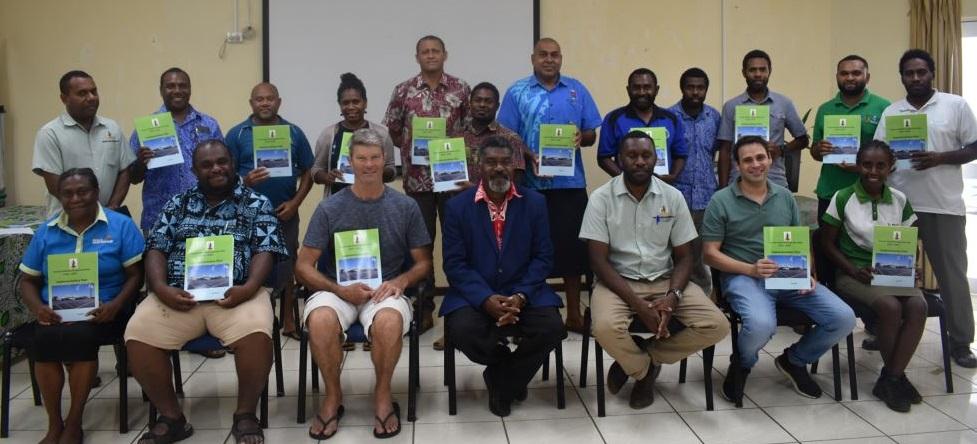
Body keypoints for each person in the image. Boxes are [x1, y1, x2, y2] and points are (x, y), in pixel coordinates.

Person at [125, 140, 286, 444]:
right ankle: (172, 418)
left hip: (237, 296)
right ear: (194, 169)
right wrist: (159, 288)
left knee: (256, 333)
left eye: (222, 161)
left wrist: (249, 288)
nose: (216, 168)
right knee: (137, 333)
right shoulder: (177, 203)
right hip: (177, 297)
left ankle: (245, 414)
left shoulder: (256, 203)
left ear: (233, 163)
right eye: (207, 164)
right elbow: (156, 247)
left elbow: (266, 249)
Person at [296, 128, 432, 440]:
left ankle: (383, 396)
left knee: (388, 322)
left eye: (374, 158)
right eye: (361, 158)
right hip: (337, 289)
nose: (368, 165)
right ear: (350, 161)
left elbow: (423, 263)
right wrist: (338, 289)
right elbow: (302, 266)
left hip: (384, 290)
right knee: (319, 321)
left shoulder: (405, 207)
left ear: (386, 161)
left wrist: (401, 280)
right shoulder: (329, 208)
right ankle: (333, 397)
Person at [580, 131, 728, 409]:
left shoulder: (673, 197)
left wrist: (672, 296)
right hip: (617, 281)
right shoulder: (601, 198)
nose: (639, 161)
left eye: (646, 155)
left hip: (664, 279)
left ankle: (644, 356)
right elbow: (598, 261)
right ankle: (644, 371)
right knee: (603, 327)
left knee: (717, 325)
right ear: (619, 160)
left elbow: (685, 258)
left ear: (656, 159)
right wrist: (639, 305)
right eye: (632, 155)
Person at [702, 136, 855, 404]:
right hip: (744, 277)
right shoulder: (721, 200)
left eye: (760, 158)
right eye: (747, 160)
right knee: (762, 325)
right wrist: (750, 269)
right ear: (737, 165)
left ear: (770, 159)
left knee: (844, 318)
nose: (756, 165)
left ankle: (794, 360)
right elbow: (710, 253)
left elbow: (801, 239)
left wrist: (809, 271)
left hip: (789, 276)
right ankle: (743, 363)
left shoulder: (784, 196)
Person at [441, 136, 564, 416]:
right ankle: (509, 374)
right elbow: (455, 264)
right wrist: (485, 299)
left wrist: (520, 296)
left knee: (553, 329)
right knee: (462, 331)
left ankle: (501, 381)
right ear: (478, 166)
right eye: (491, 162)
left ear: (515, 166)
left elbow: (543, 257)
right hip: (476, 295)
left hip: (525, 293)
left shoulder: (535, 203)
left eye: (505, 162)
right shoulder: (457, 207)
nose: (499, 168)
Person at [19, 168, 144, 444]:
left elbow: (136, 276)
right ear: (59, 196)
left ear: (96, 193)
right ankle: (55, 424)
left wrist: (115, 305)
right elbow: (27, 281)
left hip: (106, 311)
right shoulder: (47, 231)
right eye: (68, 193)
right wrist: (38, 307)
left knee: (80, 336)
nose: (75, 198)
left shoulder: (120, 226)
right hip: (54, 312)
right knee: (44, 339)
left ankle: (74, 423)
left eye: (82, 191)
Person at [874, 49, 977, 368]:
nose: (915, 78)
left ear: (932, 73)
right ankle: (885, 331)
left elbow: (975, 146)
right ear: (902, 77)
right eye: (909, 73)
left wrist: (940, 157)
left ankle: (961, 342)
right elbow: (880, 154)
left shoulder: (955, 105)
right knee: (892, 275)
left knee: (952, 276)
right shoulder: (892, 111)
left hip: (943, 206)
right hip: (899, 207)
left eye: (921, 72)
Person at [498, 37, 601, 334]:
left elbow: (592, 133)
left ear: (561, 58)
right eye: (543, 55)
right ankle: (537, 311)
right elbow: (506, 134)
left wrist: (582, 138)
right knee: (533, 250)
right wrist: (529, 155)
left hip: (570, 184)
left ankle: (573, 315)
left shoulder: (576, 89)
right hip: (531, 185)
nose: (549, 59)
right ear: (533, 59)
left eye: (555, 55)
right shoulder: (517, 92)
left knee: (572, 251)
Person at [820, 140, 926, 412]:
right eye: (867, 164)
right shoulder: (843, 197)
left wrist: (911, 267)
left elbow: (908, 240)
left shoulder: (899, 199)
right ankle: (895, 378)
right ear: (859, 165)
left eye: (880, 165)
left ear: (890, 167)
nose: (873, 171)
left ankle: (891, 377)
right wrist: (853, 270)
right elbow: (826, 244)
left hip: (892, 274)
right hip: (854, 274)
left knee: (918, 306)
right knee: (890, 307)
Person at [383, 35, 470, 334]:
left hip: (453, 181)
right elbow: (394, 131)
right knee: (421, 246)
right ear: (417, 56)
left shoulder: (461, 89)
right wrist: (413, 151)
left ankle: (461, 306)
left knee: (457, 243)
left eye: (436, 51)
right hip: (417, 181)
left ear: (445, 54)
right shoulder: (403, 90)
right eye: (425, 52)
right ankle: (424, 308)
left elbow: (470, 131)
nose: (431, 55)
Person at [225, 82, 315, 340]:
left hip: (283, 213)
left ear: (279, 102)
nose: (265, 103)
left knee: (287, 266)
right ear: (251, 103)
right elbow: (222, 173)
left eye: (270, 99)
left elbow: (308, 170)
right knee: (245, 267)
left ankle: (288, 321)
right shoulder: (237, 134)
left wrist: (296, 202)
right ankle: (244, 325)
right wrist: (244, 181)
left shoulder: (294, 133)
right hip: (246, 214)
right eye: (259, 99)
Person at [129, 67, 223, 232]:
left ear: (190, 89)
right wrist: (141, 162)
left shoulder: (209, 124)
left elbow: (222, 168)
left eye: (182, 85)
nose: (177, 90)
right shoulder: (145, 129)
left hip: (204, 217)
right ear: (161, 90)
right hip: (159, 218)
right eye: (171, 86)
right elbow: (133, 177)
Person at [33, 71, 135, 217]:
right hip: (68, 222)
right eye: (82, 93)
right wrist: (88, 213)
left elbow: (125, 170)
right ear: (64, 98)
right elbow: (53, 184)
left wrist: (113, 207)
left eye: (94, 92)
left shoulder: (112, 128)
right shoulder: (50, 133)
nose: (91, 98)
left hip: (108, 218)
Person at [717, 50, 809, 188]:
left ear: (769, 71)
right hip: (738, 181)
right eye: (752, 70)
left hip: (775, 180)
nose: (758, 74)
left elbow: (803, 139)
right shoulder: (731, 106)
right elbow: (724, 150)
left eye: (762, 70)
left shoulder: (784, 103)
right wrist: (723, 190)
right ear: (744, 73)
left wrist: (781, 150)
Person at [668, 68, 722, 294]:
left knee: (700, 254)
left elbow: (721, 151)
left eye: (700, 88)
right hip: (676, 196)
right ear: (682, 88)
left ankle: (701, 298)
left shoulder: (714, 117)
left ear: (706, 90)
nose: (695, 92)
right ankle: (673, 296)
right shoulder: (669, 117)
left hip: (706, 197)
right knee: (676, 253)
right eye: (690, 87)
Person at [311, 73, 396, 198]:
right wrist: (327, 177)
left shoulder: (381, 133)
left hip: (374, 202)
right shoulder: (329, 134)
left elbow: (392, 170)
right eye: (345, 103)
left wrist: (375, 172)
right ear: (340, 105)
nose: (351, 107)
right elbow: (315, 170)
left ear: (365, 103)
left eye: (356, 102)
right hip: (337, 204)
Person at [596, 68, 687, 184]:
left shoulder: (671, 119)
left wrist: (673, 176)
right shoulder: (613, 119)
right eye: (636, 87)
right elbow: (603, 158)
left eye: (647, 87)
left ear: (656, 89)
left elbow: (680, 154)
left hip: (662, 188)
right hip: (626, 190)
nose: (642, 92)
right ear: (628, 90)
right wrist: (624, 179)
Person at [461, 82, 528, 186]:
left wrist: (474, 190)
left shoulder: (511, 139)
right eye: (478, 100)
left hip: (497, 201)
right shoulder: (456, 136)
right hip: (460, 200)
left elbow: (516, 182)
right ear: (470, 104)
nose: (482, 105)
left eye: (488, 101)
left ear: (497, 106)